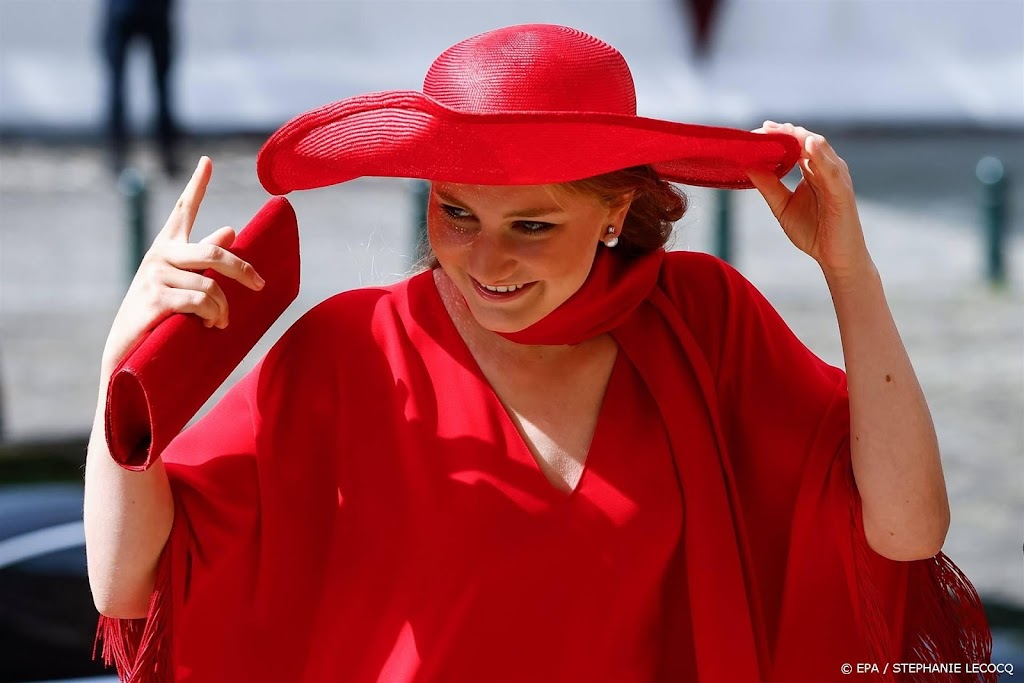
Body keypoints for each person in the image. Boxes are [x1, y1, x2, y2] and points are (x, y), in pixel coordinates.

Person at [85, 24, 993, 683]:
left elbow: (908, 531)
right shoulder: (347, 351)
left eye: (531, 225)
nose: (487, 262)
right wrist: (123, 358)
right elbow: (128, 584)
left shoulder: (706, 322)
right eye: (457, 213)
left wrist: (849, 272)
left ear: (614, 212)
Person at [100, 0, 180, 177]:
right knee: (162, 85)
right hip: (155, 8)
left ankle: (117, 153)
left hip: (121, 8)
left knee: (117, 84)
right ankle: (167, 153)